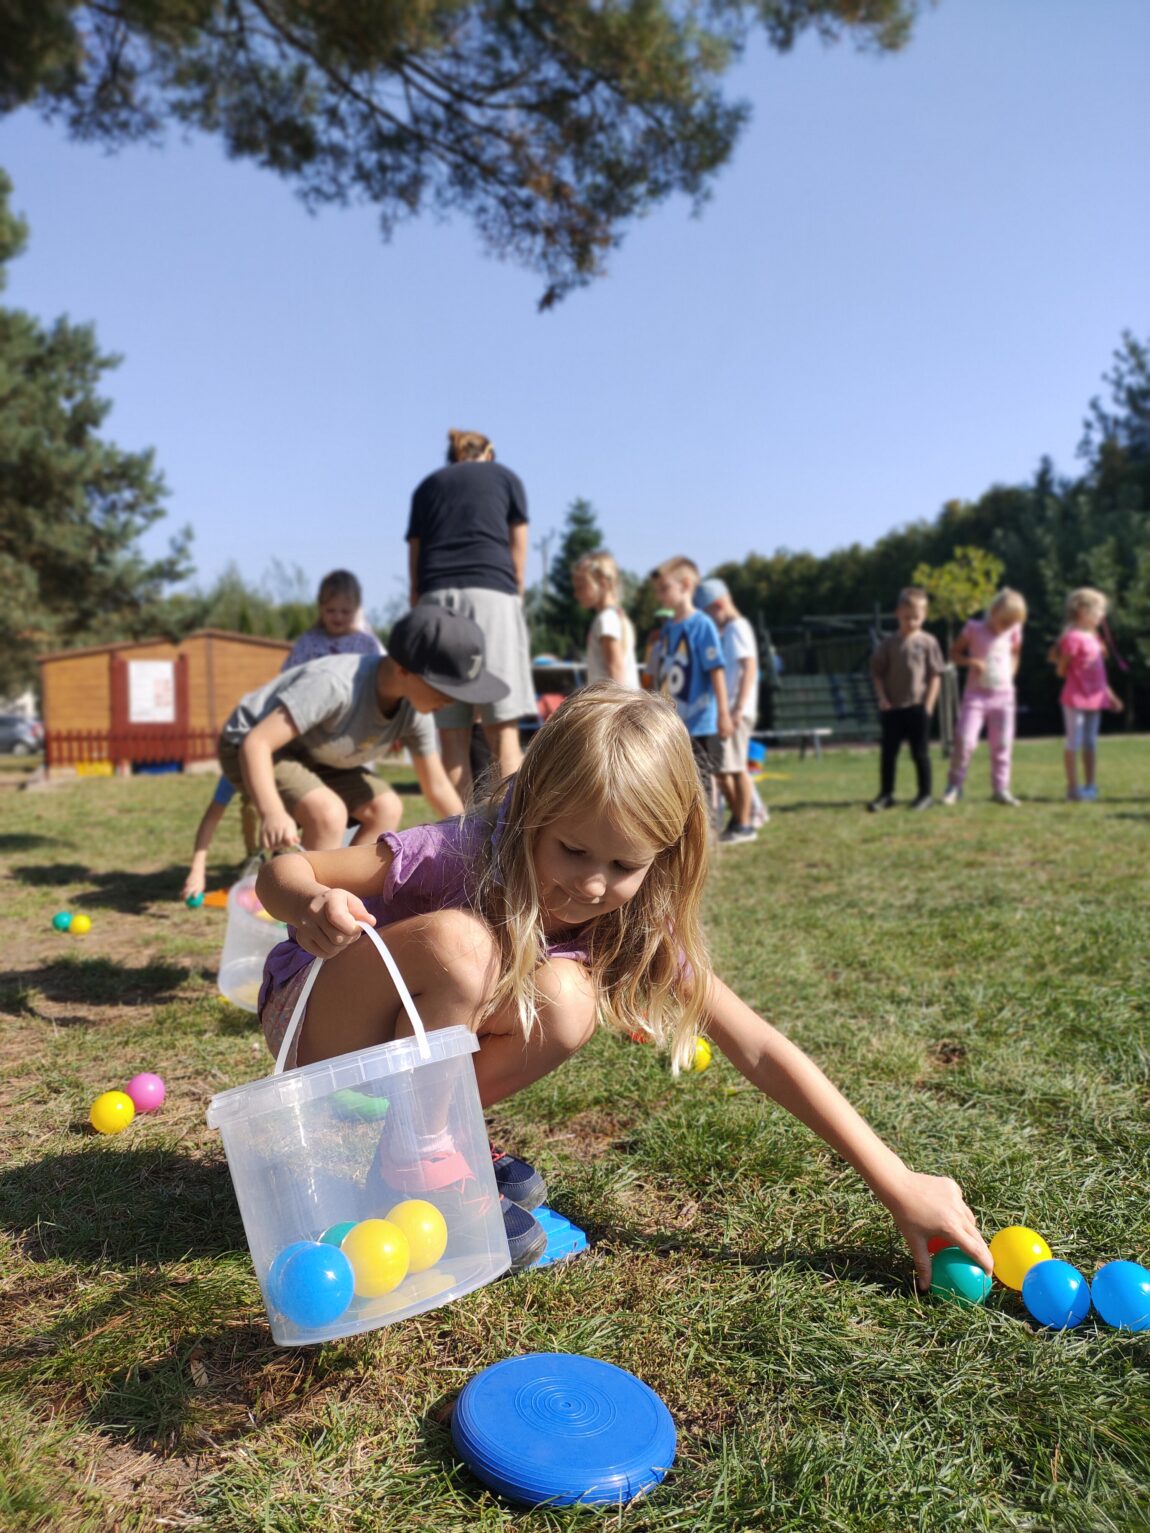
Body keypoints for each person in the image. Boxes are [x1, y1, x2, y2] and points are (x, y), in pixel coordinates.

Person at [255, 684, 993, 1286]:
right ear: (534, 809)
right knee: (460, 944)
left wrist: (897, 1178)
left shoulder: (633, 917)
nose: (591, 882)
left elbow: (757, 1045)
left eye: (624, 864)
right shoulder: (463, 850)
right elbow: (284, 870)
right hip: (322, 1024)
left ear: (662, 855)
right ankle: (421, 1160)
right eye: (572, 848)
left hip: (403, 1059)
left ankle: (430, 1143)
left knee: (569, 1001)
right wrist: (308, 905)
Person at [217, 606, 496, 852]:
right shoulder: (335, 685)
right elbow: (257, 743)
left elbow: (436, 786)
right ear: (403, 670)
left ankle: (347, 891)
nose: (452, 701)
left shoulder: (415, 709)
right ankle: (309, 902)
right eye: (447, 689)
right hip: (251, 744)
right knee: (327, 813)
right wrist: (272, 812)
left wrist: (470, 838)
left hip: (316, 752)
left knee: (386, 807)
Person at [406, 430, 536, 801]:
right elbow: (518, 557)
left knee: (451, 735)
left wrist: (420, 610)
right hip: (491, 593)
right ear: (489, 453)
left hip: (435, 600)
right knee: (503, 732)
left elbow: (414, 562)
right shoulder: (507, 478)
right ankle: (509, 840)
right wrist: (515, 602)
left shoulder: (428, 486)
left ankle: (457, 848)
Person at [650, 557, 732, 818]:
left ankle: (709, 831)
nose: (659, 596)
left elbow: (716, 669)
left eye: (664, 589)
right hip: (674, 722)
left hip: (701, 722)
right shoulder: (667, 630)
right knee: (677, 780)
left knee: (703, 780)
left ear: (685, 585)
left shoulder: (702, 625)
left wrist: (724, 714)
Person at [941, 589, 1028, 807]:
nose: (1007, 627)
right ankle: (954, 786)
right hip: (976, 696)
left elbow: (1016, 652)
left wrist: (1011, 673)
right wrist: (973, 662)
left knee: (1002, 743)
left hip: (1004, 696)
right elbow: (954, 653)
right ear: (993, 611)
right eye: (1004, 621)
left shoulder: (1014, 631)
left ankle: (1001, 789)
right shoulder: (974, 629)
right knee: (965, 739)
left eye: (1012, 623)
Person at [695, 577, 762, 843]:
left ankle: (744, 823)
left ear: (719, 604)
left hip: (737, 710)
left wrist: (736, 709)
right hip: (732, 709)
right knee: (724, 769)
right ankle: (739, 820)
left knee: (732, 769)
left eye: (709, 613)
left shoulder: (737, 628)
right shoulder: (732, 630)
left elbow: (749, 668)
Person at [869, 588, 945, 812]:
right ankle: (886, 794)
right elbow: (877, 673)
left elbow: (935, 675)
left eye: (917, 617)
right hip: (892, 709)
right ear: (897, 614)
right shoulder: (888, 644)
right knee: (889, 753)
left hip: (917, 708)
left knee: (920, 753)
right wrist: (882, 698)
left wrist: (928, 706)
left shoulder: (928, 642)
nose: (911, 622)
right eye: (907, 617)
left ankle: (925, 794)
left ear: (925, 615)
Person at [1049, 587, 1123, 801]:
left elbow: (1100, 675)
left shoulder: (1095, 639)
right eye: (1099, 610)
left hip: (1095, 699)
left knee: (1091, 742)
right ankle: (1073, 788)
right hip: (1075, 698)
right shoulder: (1072, 638)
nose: (1102, 615)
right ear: (1082, 611)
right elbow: (1061, 670)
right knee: (1074, 741)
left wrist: (1109, 695)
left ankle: (1091, 786)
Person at [283, 569, 384, 670]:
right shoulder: (308, 643)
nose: (338, 617)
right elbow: (288, 678)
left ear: (357, 609)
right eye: (330, 610)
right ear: (320, 608)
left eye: (345, 612)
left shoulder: (367, 645)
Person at [572, 550, 640, 689]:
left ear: (602, 583)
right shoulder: (615, 617)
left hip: (615, 705)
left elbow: (616, 670)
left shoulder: (607, 620)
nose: (576, 594)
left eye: (581, 587)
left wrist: (618, 709)